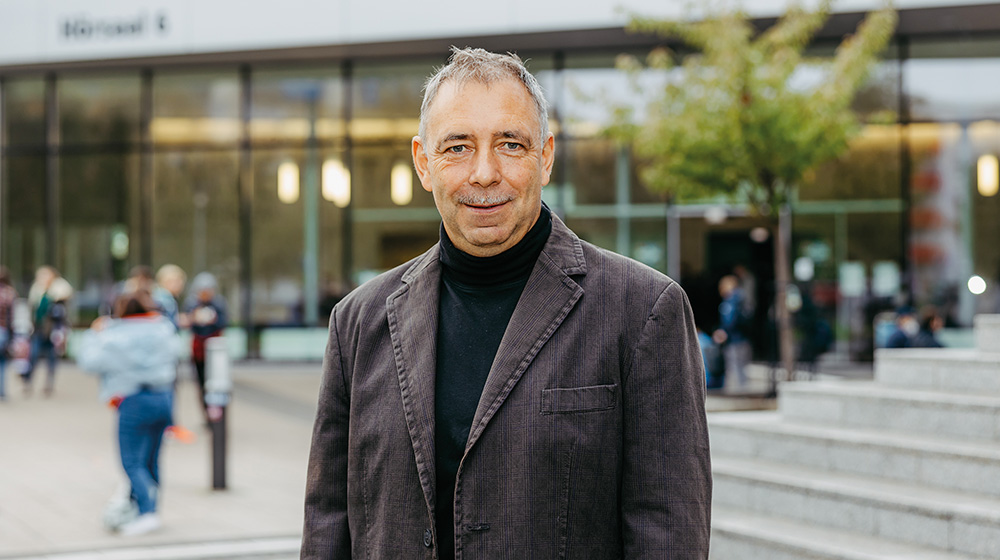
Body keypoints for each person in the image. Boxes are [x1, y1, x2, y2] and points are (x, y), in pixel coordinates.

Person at [301, 48, 711, 559]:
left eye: (510, 144)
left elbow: (668, 535)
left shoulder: (644, 311)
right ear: (423, 163)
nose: (484, 173)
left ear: (546, 156)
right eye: (457, 147)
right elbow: (327, 528)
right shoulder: (357, 323)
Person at [76, 289, 181, 536]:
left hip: (133, 400)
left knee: (132, 461)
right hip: (164, 397)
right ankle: (150, 508)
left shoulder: (113, 335)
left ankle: (147, 513)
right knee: (152, 459)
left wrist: (94, 333)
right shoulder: (164, 329)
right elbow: (176, 354)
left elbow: (89, 362)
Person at [22, 266, 72, 397]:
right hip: (39, 329)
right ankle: (28, 382)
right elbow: (32, 310)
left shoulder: (58, 290)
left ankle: (49, 384)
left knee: (51, 358)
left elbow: (65, 300)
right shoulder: (37, 291)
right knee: (33, 355)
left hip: (53, 331)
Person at [183, 272, 227, 421]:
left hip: (216, 350)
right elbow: (188, 324)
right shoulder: (191, 304)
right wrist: (194, 318)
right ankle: (206, 414)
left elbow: (223, 322)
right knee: (201, 383)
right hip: (199, 350)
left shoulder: (219, 304)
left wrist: (212, 320)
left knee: (218, 383)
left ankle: (218, 412)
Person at [714, 274, 751, 388]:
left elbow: (730, 321)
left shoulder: (731, 302)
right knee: (741, 369)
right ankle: (742, 391)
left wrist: (723, 332)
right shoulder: (742, 299)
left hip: (734, 340)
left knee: (735, 368)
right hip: (743, 339)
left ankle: (739, 393)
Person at [0, 267, 17, 401]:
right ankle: (2, 391)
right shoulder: (10, 293)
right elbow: (11, 317)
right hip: (3, 331)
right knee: (2, 362)